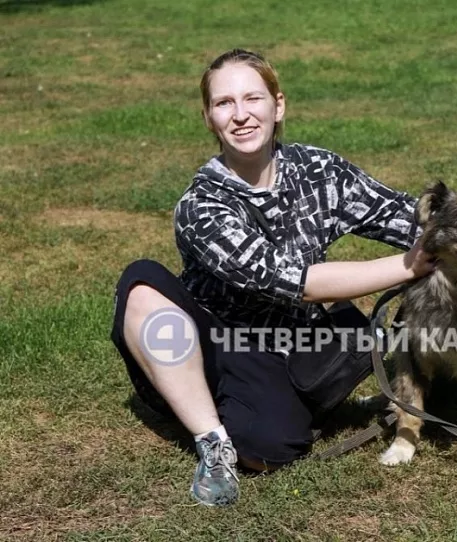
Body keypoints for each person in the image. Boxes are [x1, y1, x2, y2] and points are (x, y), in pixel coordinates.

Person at [110, 48, 434, 507]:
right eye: (224, 104)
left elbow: (401, 215)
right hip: (217, 343)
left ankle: (281, 404)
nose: (241, 115)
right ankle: (208, 436)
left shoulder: (318, 170)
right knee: (142, 285)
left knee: (275, 447)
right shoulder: (201, 205)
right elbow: (287, 279)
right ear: (208, 117)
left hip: (292, 343)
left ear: (278, 106)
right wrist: (408, 265)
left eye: (253, 99)